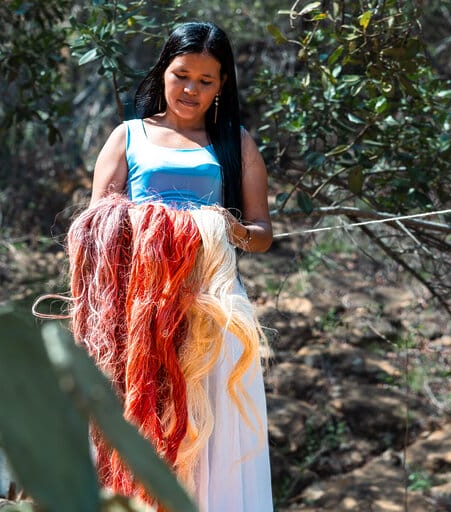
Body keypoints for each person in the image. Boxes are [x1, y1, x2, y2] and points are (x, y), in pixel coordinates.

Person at [88, 21, 273, 512]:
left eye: (206, 80)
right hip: (137, 311)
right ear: (163, 73)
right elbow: (96, 226)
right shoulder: (128, 137)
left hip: (212, 312)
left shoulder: (236, 144)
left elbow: (261, 235)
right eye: (181, 74)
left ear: (222, 85)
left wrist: (220, 228)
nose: (191, 89)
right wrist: (148, 227)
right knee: (142, 425)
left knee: (209, 432)